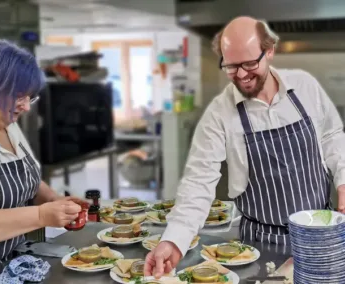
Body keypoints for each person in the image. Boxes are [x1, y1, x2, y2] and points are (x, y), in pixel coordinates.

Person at [145, 16, 345, 278]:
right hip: (258, 244)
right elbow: (198, 181)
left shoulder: (304, 85)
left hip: (319, 234)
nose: (241, 75)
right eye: (231, 66)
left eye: (250, 63)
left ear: (270, 51)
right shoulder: (219, 113)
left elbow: (332, 135)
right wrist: (173, 240)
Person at [0, 39, 88, 284]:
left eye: (29, 97)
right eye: (18, 96)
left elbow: (24, 173)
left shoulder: (4, 121)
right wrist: (42, 215)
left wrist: (54, 201)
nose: (25, 107)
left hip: (13, 263)